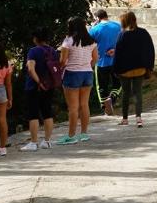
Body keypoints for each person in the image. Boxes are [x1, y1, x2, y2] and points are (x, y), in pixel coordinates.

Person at [58, 16, 98, 145]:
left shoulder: (68, 41)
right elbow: (95, 58)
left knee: (73, 108)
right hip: (87, 73)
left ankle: (71, 135)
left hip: (72, 73)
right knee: (84, 105)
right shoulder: (91, 40)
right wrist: (87, 66)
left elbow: (63, 61)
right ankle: (84, 133)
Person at [112, 11, 155, 127]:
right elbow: (150, 50)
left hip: (125, 70)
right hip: (140, 68)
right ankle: (139, 118)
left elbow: (118, 54)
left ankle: (125, 119)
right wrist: (149, 67)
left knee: (125, 94)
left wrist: (115, 69)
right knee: (138, 93)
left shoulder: (122, 35)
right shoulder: (143, 33)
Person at [20, 28, 56, 151]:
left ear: (36, 38)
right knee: (47, 112)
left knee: (33, 114)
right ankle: (47, 141)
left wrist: (38, 82)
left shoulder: (33, 51)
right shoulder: (53, 51)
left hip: (33, 86)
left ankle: (34, 142)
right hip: (49, 85)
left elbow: (31, 68)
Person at [88, 8, 123, 116]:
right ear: (106, 16)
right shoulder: (117, 26)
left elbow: (88, 45)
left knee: (101, 86)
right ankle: (111, 99)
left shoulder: (94, 30)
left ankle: (104, 107)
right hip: (116, 61)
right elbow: (123, 41)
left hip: (101, 62)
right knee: (118, 83)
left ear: (97, 18)